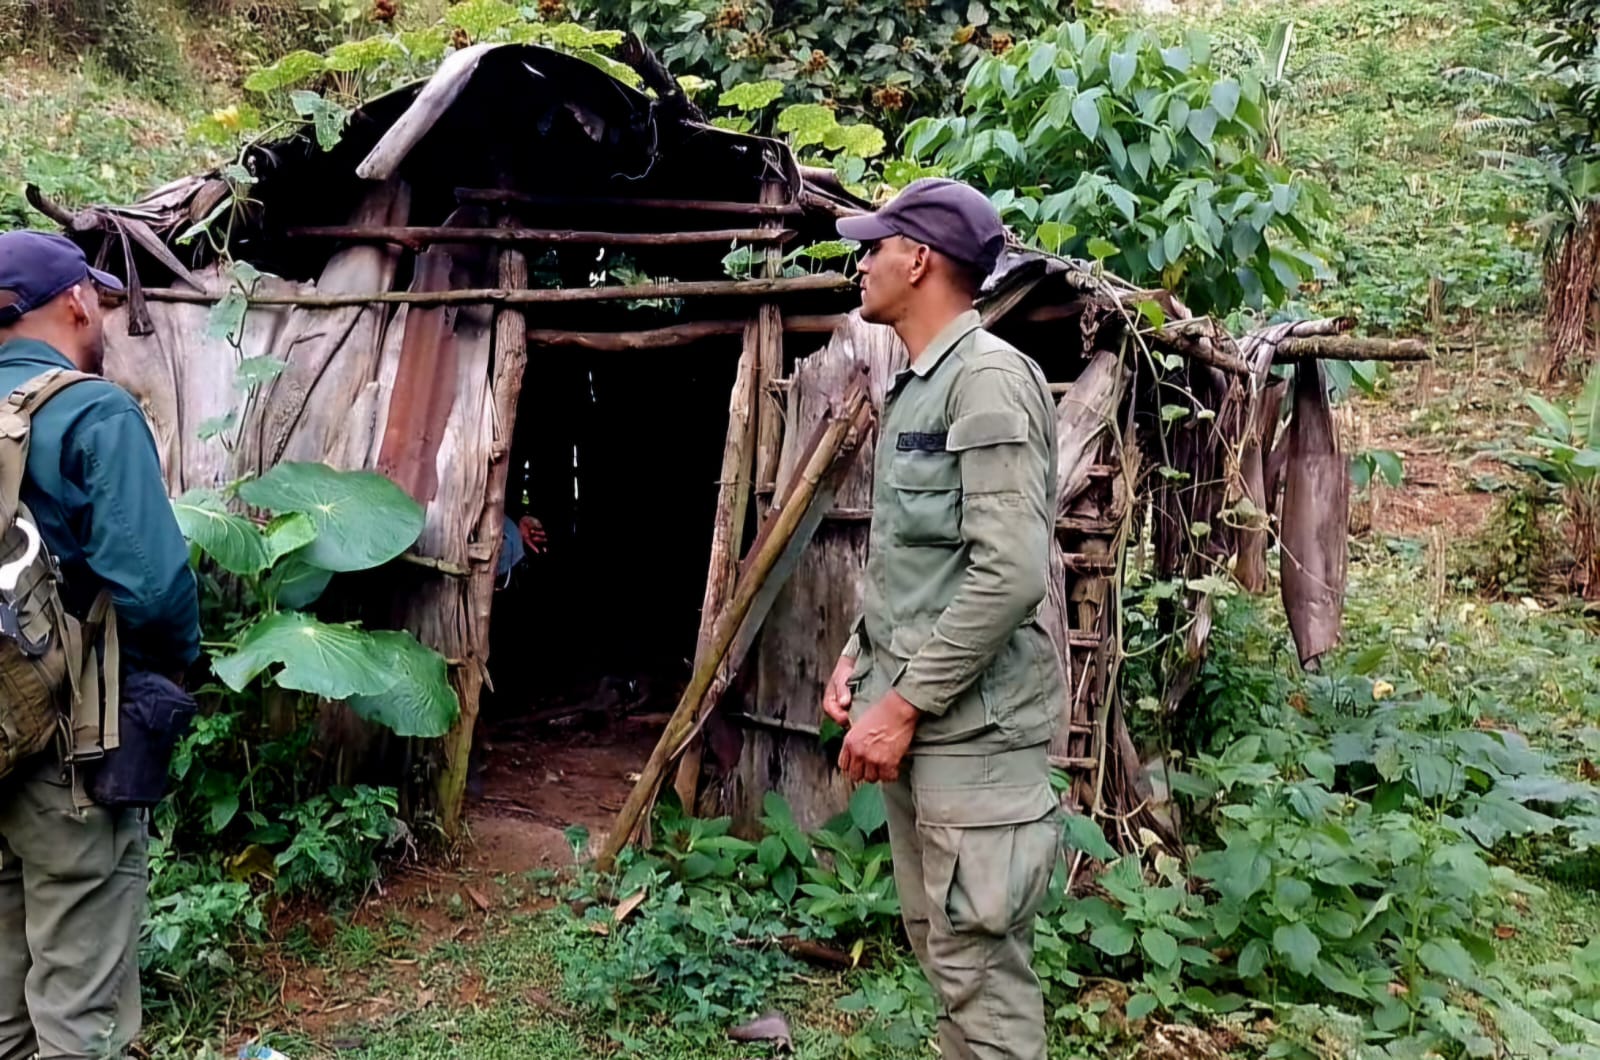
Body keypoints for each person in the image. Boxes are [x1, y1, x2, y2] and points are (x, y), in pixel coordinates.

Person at [820, 180, 1064, 1060]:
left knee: (981, 976)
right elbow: (921, 558)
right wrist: (860, 656)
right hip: (925, 727)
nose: (861, 262)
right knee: (944, 953)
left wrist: (904, 705)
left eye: (873, 246)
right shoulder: (920, 386)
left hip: (971, 735)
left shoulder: (988, 381)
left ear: (917, 259)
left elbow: (1008, 575)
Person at [0, 231, 201, 1060]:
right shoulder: (89, 409)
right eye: (97, 295)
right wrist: (181, 668)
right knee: (80, 1007)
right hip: (69, 753)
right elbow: (152, 586)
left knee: (5, 999)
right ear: (75, 300)